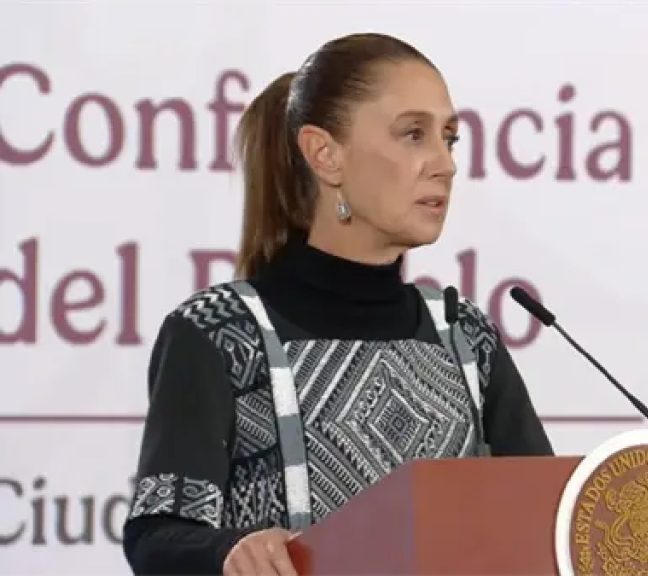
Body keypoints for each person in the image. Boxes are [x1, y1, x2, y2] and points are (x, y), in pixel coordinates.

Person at [122, 32, 553, 576]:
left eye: (449, 138)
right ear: (325, 155)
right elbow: (157, 536)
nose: (445, 164)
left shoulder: (466, 337)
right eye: (413, 134)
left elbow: (547, 519)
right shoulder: (218, 333)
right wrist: (229, 551)